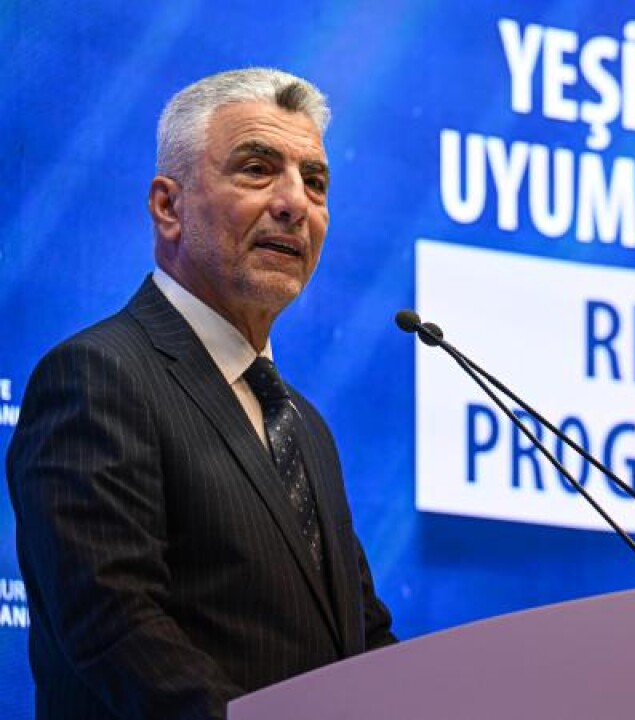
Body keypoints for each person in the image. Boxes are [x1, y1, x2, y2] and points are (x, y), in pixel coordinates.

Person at [6, 68, 396, 719]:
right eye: (257, 170)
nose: (294, 203)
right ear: (168, 207)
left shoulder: (303, 426)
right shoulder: (96, 377)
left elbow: (365, 637)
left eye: (315, 182)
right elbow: (118, 628)